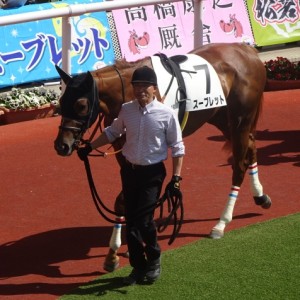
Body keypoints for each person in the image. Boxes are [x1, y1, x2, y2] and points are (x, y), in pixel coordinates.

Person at [77, 66, 185, 285]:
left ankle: (154, 259)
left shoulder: (166, 114)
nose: (140, 90)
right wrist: (89, 147)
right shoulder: (127, 110)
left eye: (145, 86)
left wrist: (176, 178)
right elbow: (112, 132)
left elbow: (178, 146)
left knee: (144, 222)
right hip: (129, 171)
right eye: (136, 86)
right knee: (132, 222)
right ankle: (138, 266)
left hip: (152, 173)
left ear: (154, 88)